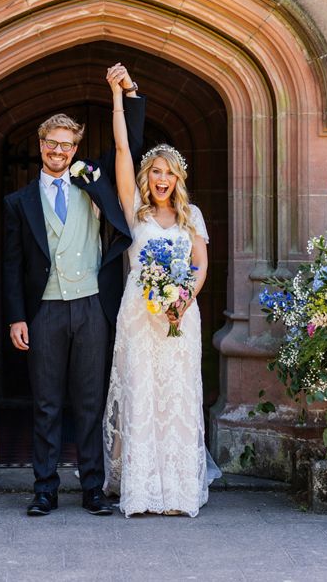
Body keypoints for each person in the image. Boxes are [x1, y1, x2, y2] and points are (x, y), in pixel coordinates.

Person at [2, 64, 145, 516]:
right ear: (41, 145)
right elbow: (11, 264)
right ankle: (44, 488)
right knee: (45, 403)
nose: (59, 151)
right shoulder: (17, 202)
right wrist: (16, 316)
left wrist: (126, 92)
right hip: (43, 310)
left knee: (89, 402)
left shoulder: (91, 181)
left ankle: (92, 488)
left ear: (76, 147)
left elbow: (130, 143)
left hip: (91, 306)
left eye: (67, 144)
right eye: (52, 144)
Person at [103, 70, 221, 517]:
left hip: (180, 316)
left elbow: (201, 265)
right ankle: (141, 489)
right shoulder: (135, 212)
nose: (162, 179)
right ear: (146, 175)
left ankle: (176, 493)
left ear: (178, 179)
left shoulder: (192, 215)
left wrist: (183, 300)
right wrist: (118, 95)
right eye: (156, 171)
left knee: (177, 395)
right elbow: (120, 148)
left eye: (169, 173)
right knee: (141, 393)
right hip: (138, 314)